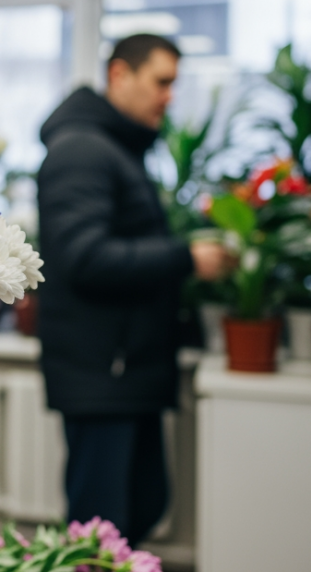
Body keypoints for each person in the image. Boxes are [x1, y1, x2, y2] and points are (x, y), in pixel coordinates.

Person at [35, 34, 231, 547]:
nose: (169, 96)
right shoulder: (82, 150)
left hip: (125, 369)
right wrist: (187, 258)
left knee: (139, 510)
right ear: (120, 75)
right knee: (100, 533)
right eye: (161, 81)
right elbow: (83, 257)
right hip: (104, 373)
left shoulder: (114, 148)